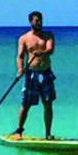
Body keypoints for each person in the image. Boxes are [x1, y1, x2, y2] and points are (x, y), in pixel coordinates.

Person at [14, 10, 58, 139]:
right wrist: (20, 69)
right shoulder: (24, 38)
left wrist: (41, 53)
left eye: (41, 20)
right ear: (31, 22)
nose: (39, 23)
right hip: (31, 73)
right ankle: (19, 131)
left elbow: (50, 50)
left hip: (45, 73)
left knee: (48, 103)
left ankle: (48, 133)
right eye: (37, 20)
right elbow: (20, 56)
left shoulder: (48, 35)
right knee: (26, 104)